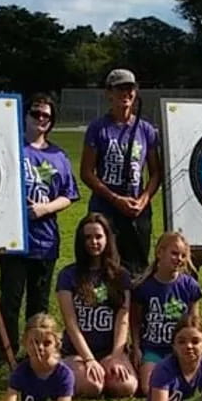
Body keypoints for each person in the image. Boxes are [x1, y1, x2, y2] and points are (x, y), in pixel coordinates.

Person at [0, 93, 79, 364]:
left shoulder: (59, 156)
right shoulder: (10, 148)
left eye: (47, 116)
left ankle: (36, 351)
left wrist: (45, 209)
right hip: (14, 238)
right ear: (26, 115)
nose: (41, 119)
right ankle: (3, 352)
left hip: (45, 240)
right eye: (36, 113)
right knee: (10, 299)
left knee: (38, 303)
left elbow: (69, 193)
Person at [79, 69, 162, 275]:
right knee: (105, 267)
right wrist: (115, 199)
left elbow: (155, 173)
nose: (125, 93)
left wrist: (143, 200)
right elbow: (86, 172)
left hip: (137, 210)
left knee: (136, 270)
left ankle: (132, 308)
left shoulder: (146, 130)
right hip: (105, 209)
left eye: (129, 88)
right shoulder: (98, 128)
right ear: (109, 93)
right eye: (119, 88)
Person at [56, 213, 136, 399]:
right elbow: (71, 323)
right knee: (92, 386)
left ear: (107, 239)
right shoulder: (68, 275)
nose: (94, 242)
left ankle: (109, 370)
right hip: (78, 352)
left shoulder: (121, 275)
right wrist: (89, 359)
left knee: (126, 387)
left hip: (110, 350)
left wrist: (116, 356)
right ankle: (66, 372)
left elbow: (123, 319)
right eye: (88, 237)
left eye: (98, 236)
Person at [131, 232, 202, 395]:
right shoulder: (144, 287)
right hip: (153, 348)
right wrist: (136, 348)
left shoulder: (189, 286)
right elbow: (135, 321)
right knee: (148, 388)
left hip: (181, 349)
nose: (179, 259)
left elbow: (194, 322)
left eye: (183, 255)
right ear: (159, 253)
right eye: (174, 253)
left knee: (192, 386)